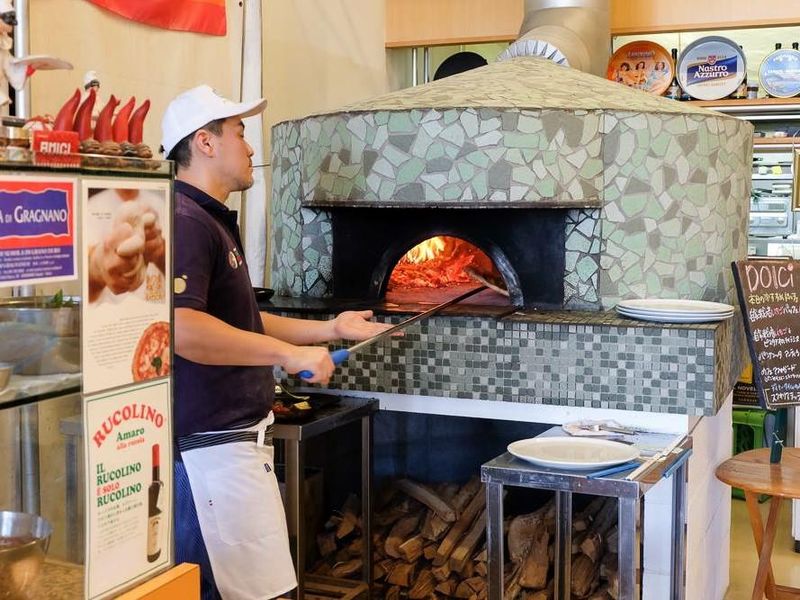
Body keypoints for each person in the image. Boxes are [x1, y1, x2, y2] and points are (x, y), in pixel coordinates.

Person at [161, 84, 394, 600]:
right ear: (205, 142)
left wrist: (330, 330)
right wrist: (289, 356)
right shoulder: (185, 221)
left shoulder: (209, 219)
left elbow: (244, 321)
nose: (250, 148)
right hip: (209, 455)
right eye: (240, 133)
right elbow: (185, 328)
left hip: (234, 448)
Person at [86, 187, 166, 303]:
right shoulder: (93, 205)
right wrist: (98, 266)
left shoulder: (159, 203)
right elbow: (85, 274)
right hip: (111, 308)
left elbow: (179, 273)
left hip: (155, 305)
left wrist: (159, 252)